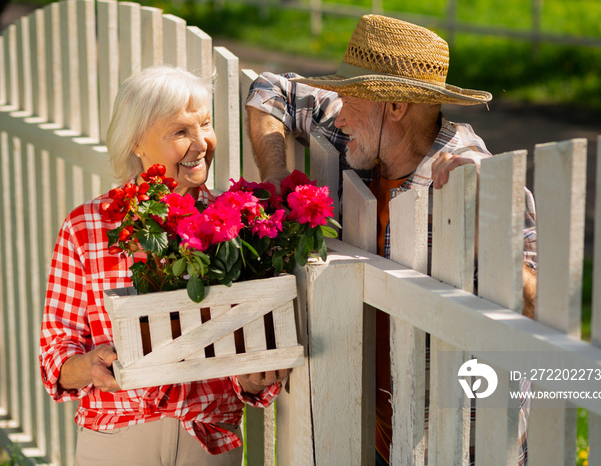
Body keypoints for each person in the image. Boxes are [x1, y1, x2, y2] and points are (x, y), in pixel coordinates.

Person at [244, 15, 537, 465]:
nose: (338, 114)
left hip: (463, 447)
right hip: (374, 436)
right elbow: (269, 88)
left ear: (395, 106)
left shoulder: (476, 181)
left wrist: (490, 228)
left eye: (349, 99)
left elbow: (544, 313)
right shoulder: (359, 134)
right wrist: (276, 175)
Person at [40, 65, 287, 466]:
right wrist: (88, 366)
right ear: (137, 144)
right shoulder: (87, 226)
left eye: (204, 125)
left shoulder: (238, 223)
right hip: (118, 436)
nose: (201, 143)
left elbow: (254, 342)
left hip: (208, 438)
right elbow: (56, 349)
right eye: (180, 132)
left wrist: (253, 378)